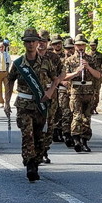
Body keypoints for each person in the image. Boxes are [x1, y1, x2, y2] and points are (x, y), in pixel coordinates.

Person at [4, 28, 60, 182]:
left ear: (38, 43)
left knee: (41, 137)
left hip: (41, 105)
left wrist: (49, 93)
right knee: (27, 135)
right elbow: (9, 80)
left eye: (33, 41)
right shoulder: (18, 64)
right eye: (27, 41)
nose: (30, 44)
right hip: (24, 105)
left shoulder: (46, 62)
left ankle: (35, 160)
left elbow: (56, 78)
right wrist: (6, 101)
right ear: (24, 43)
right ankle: (30, 164)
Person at [63, 34, 101, 153]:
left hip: (89, 91)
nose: (81, 47)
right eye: (78, 45)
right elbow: (63, 77)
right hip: (76, 91)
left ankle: (84, 141)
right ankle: (76, 140)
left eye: (83, 45)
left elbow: (98, 75)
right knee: (77, 116)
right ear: (74, 46)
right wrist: (76, 72)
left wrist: (88, 67)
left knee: (87, 118)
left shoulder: (91, 59)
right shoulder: (69, 60)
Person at [37, 30, 64, 164]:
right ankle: (35, 150)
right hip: (35, 94)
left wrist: (57, 82)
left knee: (49, 123)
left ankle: (44, 150)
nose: (41, 44)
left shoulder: (53, 57)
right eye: (39, 41)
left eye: (44, 41)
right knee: (36, 123)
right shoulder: (30, 56)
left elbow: (62, 72)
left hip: (51, 93)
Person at [88, 39, 102, 115]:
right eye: (91, 45)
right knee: (90, 92)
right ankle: (90, 107)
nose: (93, 47)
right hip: (90, 76)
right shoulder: (87, 55)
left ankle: (95, 107)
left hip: (98, 75)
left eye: (94, 45)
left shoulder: (100, 55)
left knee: (97, 93)